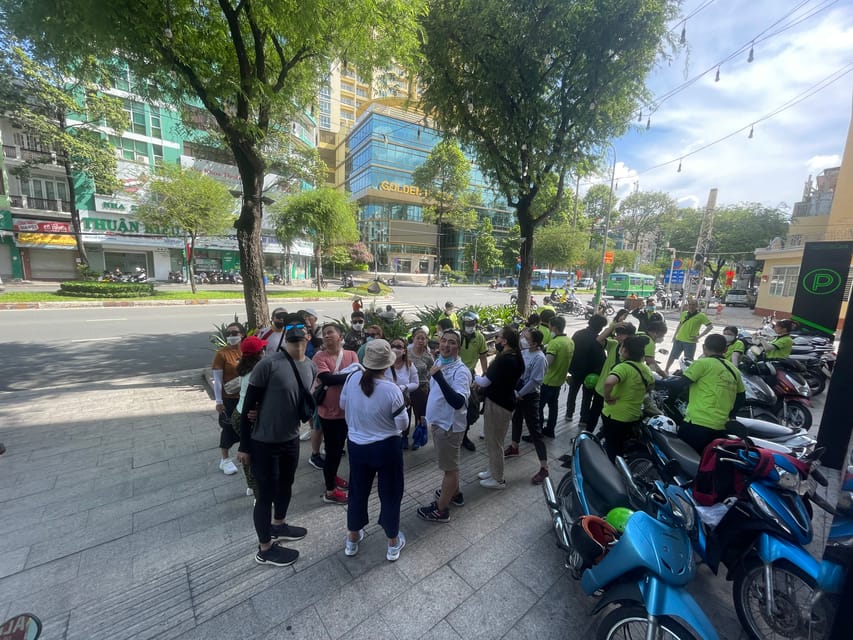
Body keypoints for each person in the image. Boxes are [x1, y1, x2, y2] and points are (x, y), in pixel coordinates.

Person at [237, 315, 314, 566]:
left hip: (291, 439)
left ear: (309, 334)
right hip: (263, 442)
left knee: (287, 484)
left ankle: (279, 524)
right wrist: (245, 446)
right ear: (284, 334)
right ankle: (265, 548)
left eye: (301, 328)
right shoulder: (268, 365)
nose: (296, 332)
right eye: (291, 327)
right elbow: (248, 405)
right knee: (265, 494)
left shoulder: (311, 366)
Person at [340, 339, 409, 561]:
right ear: (387, 364)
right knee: (390, 494)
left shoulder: (351, 378)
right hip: (386, 448)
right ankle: (392, 542)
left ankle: (352, 538)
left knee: (358, 492)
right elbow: (403, 424)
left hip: (357, 447)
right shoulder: (391, 389)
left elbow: (343, 405)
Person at [658, 334, 746, 455]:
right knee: (707, 462)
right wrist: (730, 415)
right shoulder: (734, 370)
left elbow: (680, 384)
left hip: (696, 424)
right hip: (721, 427)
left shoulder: (702, 363)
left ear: (704, 347)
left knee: (684, 460)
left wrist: (655, 381)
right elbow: (741, 397)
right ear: (725, 350)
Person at [416, 330, 472, 523]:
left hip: (449, 427)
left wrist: (439, 377)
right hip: (439, 423)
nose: (446, 345)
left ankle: (441, 510)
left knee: (450, 469)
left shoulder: (461, 371)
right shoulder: (440, 361)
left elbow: (458, 402)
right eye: (444, 341)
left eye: (452, 342)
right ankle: (454, 493)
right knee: (451, 465)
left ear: (458, 347)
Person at [313, 323, 360, 504]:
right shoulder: (319, 357)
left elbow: (357, 376)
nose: (326, 336)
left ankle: (332, 477)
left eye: (330, 332)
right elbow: (327, 379)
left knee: (343, 449)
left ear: (340, 337)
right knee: (333, 452)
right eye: (324, 334)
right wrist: (349, 375)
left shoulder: (351, 354)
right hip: (329, 414)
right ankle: (330, 491)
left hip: (349, 412)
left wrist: (343, 376)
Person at [474, 326, 525, 490]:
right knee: (493, 440)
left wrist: (470, 374)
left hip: (498, 404)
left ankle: (498, 479)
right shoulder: (516, 356)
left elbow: (484, 382)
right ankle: (492, 470)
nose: (495, 339)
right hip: (505, 402)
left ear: (505, 340)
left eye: (498, 337)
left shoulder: (503, 360)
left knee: (495, 442)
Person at [506, 328, 550, 484]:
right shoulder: (524, 352)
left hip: (530, 396)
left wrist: (520, 394)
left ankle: (544, 468)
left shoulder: (539, 358)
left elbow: (535, 381)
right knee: (516, 419)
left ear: (535, 343)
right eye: (523, 337)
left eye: (527, 338)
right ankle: (514, 446)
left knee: (535, 431)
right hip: (519, 391)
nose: (523, 340)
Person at [601, 336, 654, 462]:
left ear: (625, 350)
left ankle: (611, 472)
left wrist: (607, 397)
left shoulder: (623, 367)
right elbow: (650, 387)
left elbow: (609, 382)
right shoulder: (646, 369)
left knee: (613, 448)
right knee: (621, 446)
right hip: (633, 416)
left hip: (615, 415)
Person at [229, 335, 267, 498]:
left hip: (238, 414)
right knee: (252, 455)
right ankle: (258, 493)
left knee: (248, 452)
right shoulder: (257, 372)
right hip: (248, 417)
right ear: (259, 353)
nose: (265, 351)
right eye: (263, 349)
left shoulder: (245, 368)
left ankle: (251, 486)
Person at [586, 322, 637, 434]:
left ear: (631, 336)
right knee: (593, 415)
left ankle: (601, 438)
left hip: (616, 394)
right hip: (601, 389)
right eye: (617, 333)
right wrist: (612, 326)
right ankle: (587, 435)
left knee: (609, 420)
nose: (618, 336)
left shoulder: (634, 354)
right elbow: (599, 339)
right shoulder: (614, 345)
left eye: (621, 334)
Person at [212, 321, 246, 475]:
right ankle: (224, 460)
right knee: (228, 427)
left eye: (234, 333)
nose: (231, 336)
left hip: (247, 396)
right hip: (230, 398)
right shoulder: (222, 354)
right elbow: (218, 380)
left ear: (242, 334)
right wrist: (218, 401)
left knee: (247, 426)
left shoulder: (248, 351)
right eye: (228, 334)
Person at [565, 315, 608, 429]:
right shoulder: (598, 339)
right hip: (590, 373)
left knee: (572, 392)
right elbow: (601, 358)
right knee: (587, 396)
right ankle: (583, 419)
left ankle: (569, 413)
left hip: (575, 370)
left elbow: (571, 351)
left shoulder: (578, 334)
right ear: (600, 327)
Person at [539, 315, 574, 438]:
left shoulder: (555, 343)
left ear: (553, 327)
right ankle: (550, 430)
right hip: (559, 380)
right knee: (553, 407)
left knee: (539, 407)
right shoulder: (569, 341)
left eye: (549, 326)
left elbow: (547, 363)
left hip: (548, 381)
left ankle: (537, 433)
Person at [386, 338, 419, 449]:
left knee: (405, 420)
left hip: (404, 401)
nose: (395, 349)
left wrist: (404, 387)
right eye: (393, 346)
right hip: (387, 402)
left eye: (399, 347)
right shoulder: (384, 365)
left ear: (404, 351)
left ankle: (404, 436)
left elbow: (416, 383)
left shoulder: (409, 366)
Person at [664, 299, 713, 373]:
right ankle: (666, 370)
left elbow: (710, 327)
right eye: (690, 304)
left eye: (693, 304)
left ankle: (688, 374)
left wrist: (699, 337)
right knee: (672, 356)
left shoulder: (701, 316)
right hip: (679, 339)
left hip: (690, 342)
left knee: (689, 360)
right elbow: (680, 325)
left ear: (697, 306)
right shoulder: (684, 313)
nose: (691, 306)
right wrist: (674, 336)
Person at [407, 326, 434, 450]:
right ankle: (404, 436)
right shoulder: (407, 353)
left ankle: (418, 438)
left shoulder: (428, 356)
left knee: (420, 415)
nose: (421, 341)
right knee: (406, 413)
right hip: (407, 387)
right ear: (413, 339)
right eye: (418, 338)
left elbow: (432, 371)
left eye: (423, 339)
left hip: (422, 388)